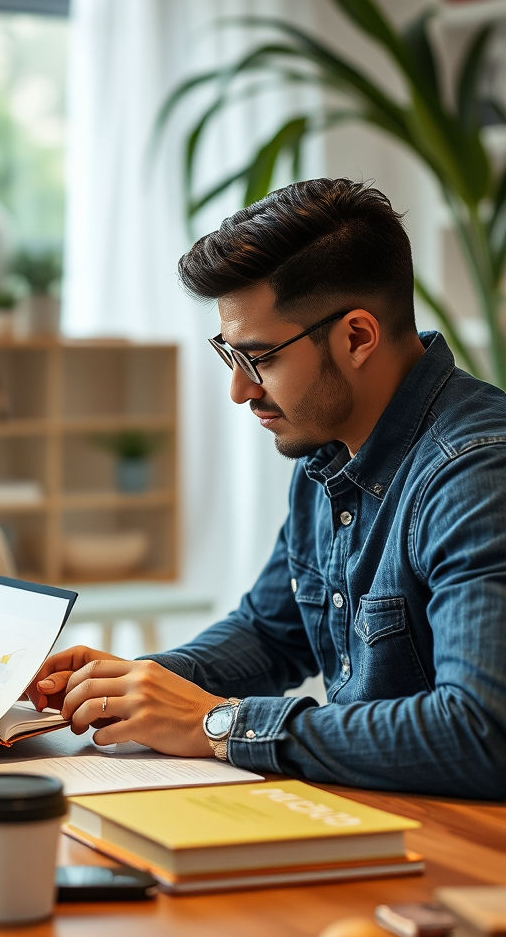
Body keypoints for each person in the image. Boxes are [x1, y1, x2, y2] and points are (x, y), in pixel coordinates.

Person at [28, 177, 506, 800]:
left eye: (261, 358)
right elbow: (270, 632)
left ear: (357, 336)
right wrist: (139, 681)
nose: (241, 390)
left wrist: (216, 725)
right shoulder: (330, 449)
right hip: (374, 819)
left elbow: (480, 732)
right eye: (230, 355)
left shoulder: (477, 473)